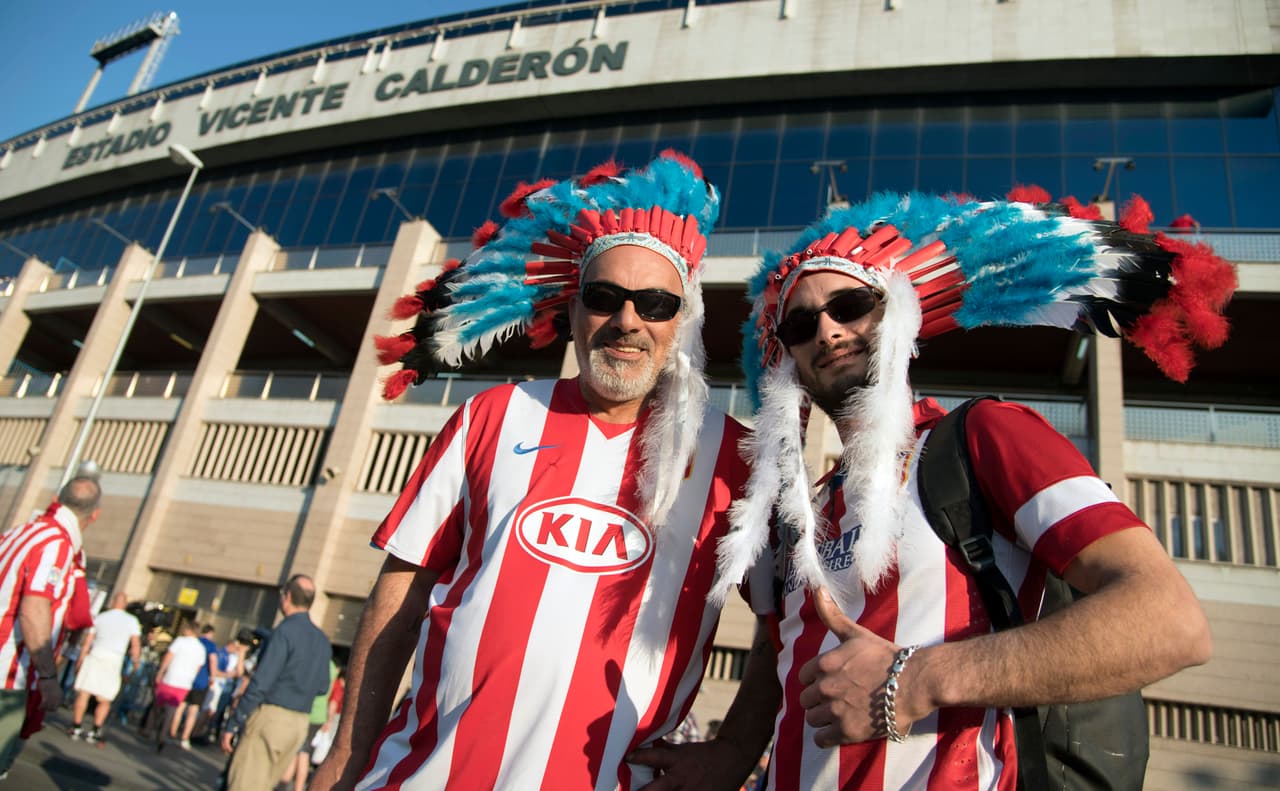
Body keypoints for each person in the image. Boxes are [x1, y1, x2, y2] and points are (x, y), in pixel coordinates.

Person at [636, 190, 1233, 789]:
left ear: (897, 313)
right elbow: (778, 651)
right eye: (800, 322)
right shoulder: (802, 509)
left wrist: (915, 680)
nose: (828, 330)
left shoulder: (984, 439)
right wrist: (732, 751)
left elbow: (1169, 620)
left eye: (850, 305)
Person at [311, 152, 760, 791]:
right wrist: (346, 757)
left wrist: (736, 749)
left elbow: (784, 625)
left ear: (681, 324)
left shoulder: (732, 461)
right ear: (573, 312)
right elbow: (401, 595)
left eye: (656, 303)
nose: (627, 321)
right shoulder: (490, 416)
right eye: (604, 297)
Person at [0, 476, 101, 778]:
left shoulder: (19, 532)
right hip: (9, 673)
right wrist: (47, 676)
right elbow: (34, 608)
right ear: (94, 515)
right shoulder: (56, 544)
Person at [220, 574, 332, 791]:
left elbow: (261, 682)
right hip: (299, 723)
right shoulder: (321, 640)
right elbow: (322, 687)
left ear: (286, 597)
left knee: (244, 783)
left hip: (271, 717)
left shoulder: (284, 631)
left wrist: (234, 722)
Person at [68, 591, 142, 745]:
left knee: (84, 693)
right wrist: (136, 663)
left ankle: (76, 726)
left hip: (95, 655)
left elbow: (88, 642)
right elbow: (135, 645)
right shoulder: (131, 621)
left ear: (113, 601)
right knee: (105, 699)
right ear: (125, 604)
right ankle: (95, 729)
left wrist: (80, 660)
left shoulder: (101, 617)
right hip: (114, 660)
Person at [278, 658, 339, 791]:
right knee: (301, 752)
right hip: (319, 714)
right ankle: (290, 785)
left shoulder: (315, 662)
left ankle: (292, 786)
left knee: (300, 753)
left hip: (308, 712)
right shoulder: (332, 666)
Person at [153, 619, 209, 750]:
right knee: (173, 708)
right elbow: (198, 667)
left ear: (189, 630)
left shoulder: (180, 641)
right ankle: (164, 733)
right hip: (185, 682)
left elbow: (168, 656)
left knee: (159, 703)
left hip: (171, 677)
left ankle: (158, 727)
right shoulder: (201, 648)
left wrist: (161, 671)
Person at [173, 624, 218, 748]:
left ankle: (172, 732)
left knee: (180, 706)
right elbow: (213, 661)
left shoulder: (194, 642)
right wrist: (213, 676)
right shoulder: (211, 646)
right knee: (193, 710)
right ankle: (185, 737)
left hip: (187, 678)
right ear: (210, 633)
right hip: (201, 681)